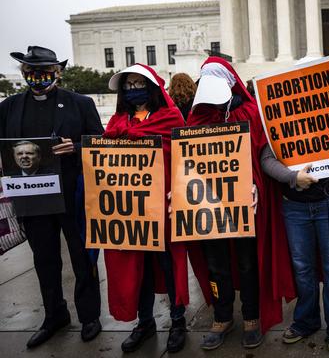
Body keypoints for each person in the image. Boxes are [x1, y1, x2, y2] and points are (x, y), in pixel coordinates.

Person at [261, 61, 329, 353]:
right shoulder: (279, 117)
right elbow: (266, 159)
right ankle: (306, 321)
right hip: (295, 204)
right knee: (302, 268)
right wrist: (293, 177)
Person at [187, 57, 295, 350]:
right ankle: (222, 317)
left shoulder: (250, 112)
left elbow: (263, 155)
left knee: (248, 264)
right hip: (207, 207)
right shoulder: (197, 117)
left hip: (245, 206)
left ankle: (251, 317)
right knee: (216, 265)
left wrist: (257, 185)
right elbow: (187, 162)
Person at [0, 46, 103, 348]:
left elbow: (98, 141)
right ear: (24, 75)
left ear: (57, 73)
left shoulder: (80, 103)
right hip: (33, 197)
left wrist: (77, 147)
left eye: (44, 72)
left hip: (72, 193)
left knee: (82, 257)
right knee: (44, 259)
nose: (38, 78)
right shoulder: (8, 107)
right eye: (31, 73)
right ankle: (54, 314)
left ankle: (89, 316)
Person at [102, 63, 209, 354]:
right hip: (131, 212)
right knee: (139, 270)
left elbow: (183, 159)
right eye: (129, 85)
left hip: (163, 209)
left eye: (139, 84)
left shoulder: (170, 117)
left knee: (169, 268)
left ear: (152, 87)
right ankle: (145, 322)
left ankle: (177, 322)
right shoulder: (116, 122)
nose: (133, 90)